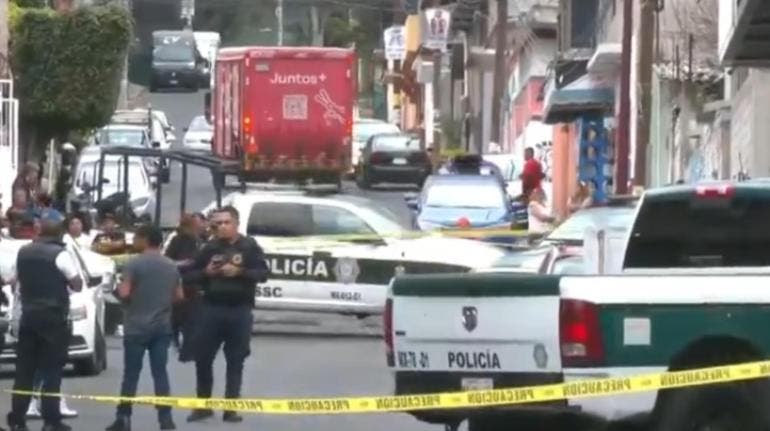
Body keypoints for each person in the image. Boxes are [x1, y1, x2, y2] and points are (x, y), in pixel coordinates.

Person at [185, 206, 269, 423]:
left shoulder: (249, 246)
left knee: (236, 360)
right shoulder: (209, 247)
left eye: (226, 222)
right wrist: (206, 273)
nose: (221, 227)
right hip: (211, 308)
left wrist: (240, 272)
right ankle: (203, 405)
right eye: (217, 223)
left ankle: (230, 408)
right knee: (203, 359)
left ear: (236, 224)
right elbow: (188, 275)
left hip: (239, 310)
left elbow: (263, 274)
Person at [105, 224, 184, 431]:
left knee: (131, 374)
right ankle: (165, 420)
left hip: (136, 326)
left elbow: (124, 292)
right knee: (160, 373)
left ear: (145, 239)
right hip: (161, 327)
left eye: (138, 237)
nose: (134, 241)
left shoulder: (134, 264)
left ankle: (123, 418)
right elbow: (179, 296)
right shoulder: (171, 265)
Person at [6, 220, 83, 431]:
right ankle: (51, 420)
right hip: (53, 318)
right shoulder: (60, 254)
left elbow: (15, 279)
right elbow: (77, 284)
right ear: (59, 234)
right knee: (52, 371)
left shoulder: (24, 252)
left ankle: (18, 420)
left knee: (24, 372)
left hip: (29, 316)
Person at [165, 213, 207, 362]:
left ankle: (186, 349)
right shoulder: (181, 240)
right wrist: (187, 263)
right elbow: (170, 260)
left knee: (189, 318)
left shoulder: (199, 240)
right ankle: (183, 347)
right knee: (186, 317)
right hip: (184, 282)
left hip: (192, 283)